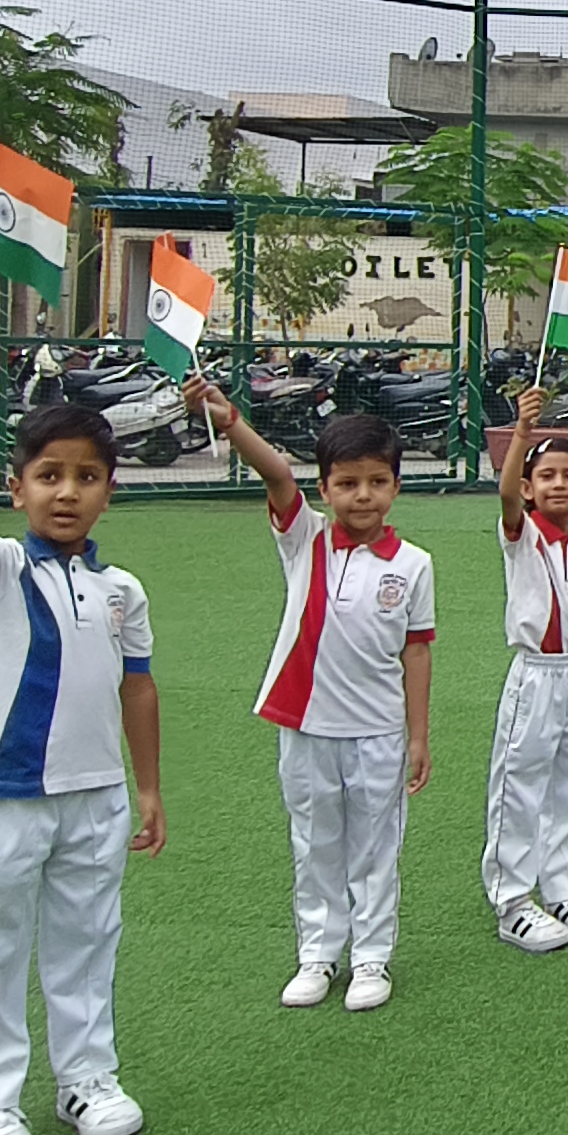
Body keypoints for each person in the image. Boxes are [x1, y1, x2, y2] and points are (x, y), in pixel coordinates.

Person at [0, 357, 163, 1135]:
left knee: (87, 941)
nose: (67, 493)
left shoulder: (122, 589)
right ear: (17, 488)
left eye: (87, 478)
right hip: (9, 793)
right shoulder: (1, 568)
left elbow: (138, 686)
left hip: (96, 797)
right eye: (49, 476)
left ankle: (86, 1080)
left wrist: (147, 786)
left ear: (110, 492)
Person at [187, 381, 436, 1013]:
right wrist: (230, 420)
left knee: (376, 849)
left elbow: (417, 652)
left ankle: (371, 957)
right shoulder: (307, 539)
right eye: (347, 483)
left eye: (376, 482)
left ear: (396, 486)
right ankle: (318, 955)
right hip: (305, 725)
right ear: (324, 489)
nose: (362, 495)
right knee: (315, 842)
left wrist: (417, 735)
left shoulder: (413, 564)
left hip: (378, 730)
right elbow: (275, 473)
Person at [481, 395, 568, 954]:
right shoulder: (523, 538)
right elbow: (506, 496)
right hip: (537, 675)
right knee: (520, 783)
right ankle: (512, 901)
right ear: (530, 488)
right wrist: (522, 431)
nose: (558, 484)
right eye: (547, 476)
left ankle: (563, 890)